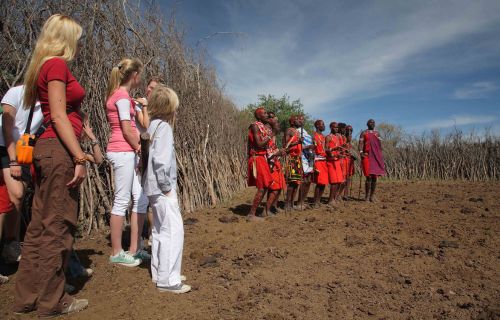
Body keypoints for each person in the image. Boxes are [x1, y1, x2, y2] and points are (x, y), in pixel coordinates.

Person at [13, 14, 89, 316]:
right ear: (66, 38)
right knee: (58, 223)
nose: (79, 44)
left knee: (39, 226)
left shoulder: (41, 67)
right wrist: (79, 156)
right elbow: (58, 115)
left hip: (46, 150)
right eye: (77, 38)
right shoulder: (57, 64)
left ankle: (27, 298)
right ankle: (53, 300)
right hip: (59, 150)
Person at [142, 85, 191, 293]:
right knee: (173, 230)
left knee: (160, 230)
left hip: (151, 187)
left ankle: (160, 272)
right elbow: (162, 161)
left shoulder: (151, 125)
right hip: (161, 188)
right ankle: (169, 280)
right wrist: (167, 187)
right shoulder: (163, 127)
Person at [105, 58, 150, 266]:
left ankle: (134, 249)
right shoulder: (122, 97)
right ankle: (116, 252)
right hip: (122, 150)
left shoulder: (124, 96)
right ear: (134, 75)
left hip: (127, 151)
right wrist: (139, 148)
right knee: (122, 200)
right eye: (139, 74)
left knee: (140, 199)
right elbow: (126, 128)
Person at [0, 85, 43, 264]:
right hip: (5, 147)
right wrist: (12, 160)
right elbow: (6, 128)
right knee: (15, 193)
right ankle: (11, 242)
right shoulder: (16, 92)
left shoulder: (48, 98)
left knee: (17, 197)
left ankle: (12, 243)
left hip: (25, 150)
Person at [246, 107, 273, 221]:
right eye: (264, 113)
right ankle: (251, 214)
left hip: (263, 158)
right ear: (258, 116)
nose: (267, 115)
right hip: (258, 158)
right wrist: (272, 135)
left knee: (266, 185)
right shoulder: (255, 126)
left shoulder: (263, 127)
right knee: (262, 186)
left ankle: (254, 212)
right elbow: (259, 144)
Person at [359, 119, 386, 202]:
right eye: (370, 122)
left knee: (374, 176)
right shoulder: (364, 133)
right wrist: (361, 152)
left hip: (376, 156)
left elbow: (379, 144)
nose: (372, 123)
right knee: (368, 176)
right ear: (367, 124)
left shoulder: (377, 133)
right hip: (367, 156)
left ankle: (372, 196)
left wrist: (380, 154)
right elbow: (360, 144)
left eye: (373, 122)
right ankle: (366, 196)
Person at [265, 112, 285, 215]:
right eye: (272, 118)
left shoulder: (272, 134)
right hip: (269, 164)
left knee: (278, 187)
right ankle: (266, 210)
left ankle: (272, 207)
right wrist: (277, 153)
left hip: (275, 163)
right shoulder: (265, 133)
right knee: (274, 188)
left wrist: (280, 152)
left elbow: (273, 149)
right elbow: (265, 151)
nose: (275, 119)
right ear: (268, 119)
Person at [284, 115, 303, 211]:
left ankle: (291, 203)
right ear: (292, 122)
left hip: (298, 159)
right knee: (292, 182)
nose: (299, 120)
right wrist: (297, 142)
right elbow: (285, 144)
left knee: (296, 183)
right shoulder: (289, 130)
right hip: (291, 158)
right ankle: (287, 204)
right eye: (296, 119)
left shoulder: (297, 132)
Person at [297, 115, 315, 210]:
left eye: (302, 119)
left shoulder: (305, 132)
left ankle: (303, 201)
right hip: (301, 158)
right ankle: (299, 202)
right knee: (303, 181)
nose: (301, 120)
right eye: (299, 119)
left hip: (309, 158)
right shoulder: (295, 132)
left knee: (308, 181)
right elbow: (293, 147)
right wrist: (307, 147)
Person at [325, 122, 344, 206]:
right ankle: (330, 200)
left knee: (339, 181)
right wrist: (333, 150)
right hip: (331, 161)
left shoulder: (338, 137)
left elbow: (341, 148)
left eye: (337, 127)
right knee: (334, 181)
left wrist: (341, 152)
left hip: (338, 161)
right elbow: (326, 149)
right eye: (334, 127)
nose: (336, 129)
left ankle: (334, 198)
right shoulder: (328, 137)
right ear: (331, 128)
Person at [312, 120, 328, 208]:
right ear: (317, 126)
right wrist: (313, 164)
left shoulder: (323, 137)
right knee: (319, 182)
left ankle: (318, 201)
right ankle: (315, 202)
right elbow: (312, 150)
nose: (324, 126)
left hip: (324, 161)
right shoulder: (314, 136)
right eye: (322, 125)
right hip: (317, 160)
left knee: (324, 182)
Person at [343, 125, 356, 199]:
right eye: (347, 129)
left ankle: (346, 194)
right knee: (344, 177)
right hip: (344, 159)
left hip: (350, 160)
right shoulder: (343, 138)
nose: (349, 131)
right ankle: (339, 195)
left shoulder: (351, 139)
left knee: (349, 177)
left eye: (350, 130)